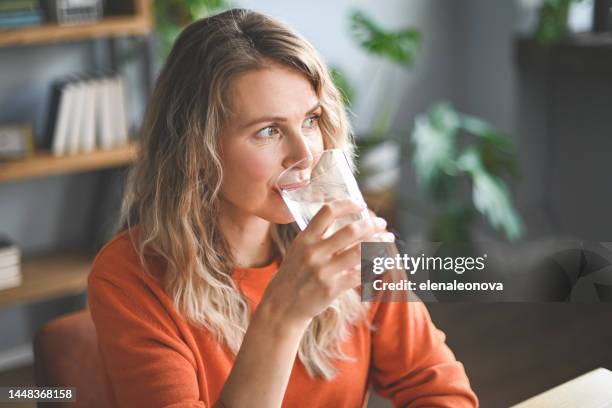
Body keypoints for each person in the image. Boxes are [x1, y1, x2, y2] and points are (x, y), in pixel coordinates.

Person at [88, 8, 478, 408]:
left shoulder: (352, 242)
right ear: (197, 151)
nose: (305, 154)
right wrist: (283, 315)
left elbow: (438, 389)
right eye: (269, 131)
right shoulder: (129, 279)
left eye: (311, 120)